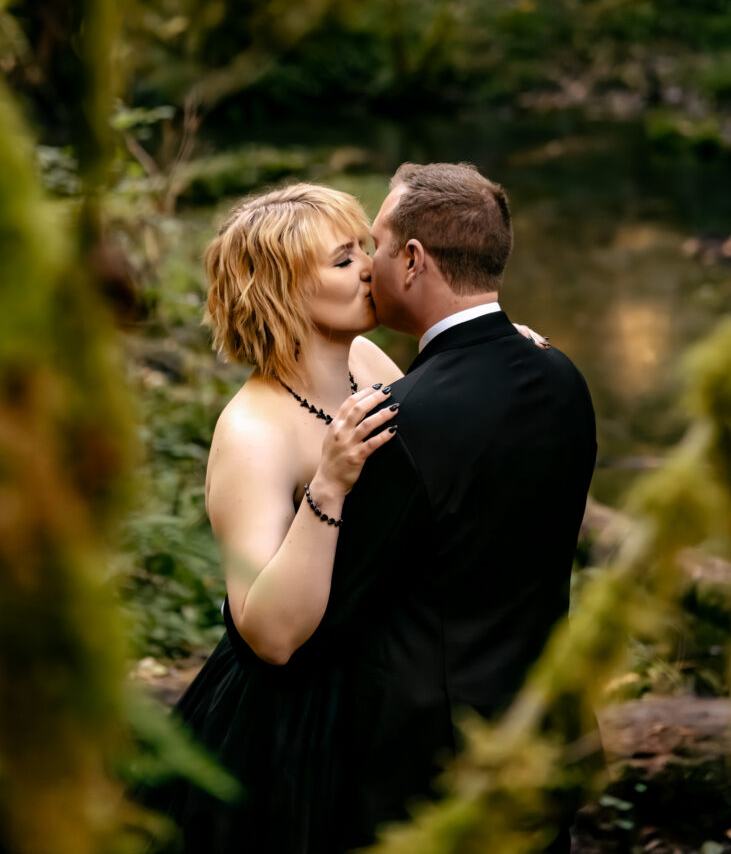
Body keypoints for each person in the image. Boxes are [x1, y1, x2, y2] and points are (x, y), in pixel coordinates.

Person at [134, 179, 550, 854]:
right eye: (343, 258)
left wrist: (490, 357)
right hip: (296, 727)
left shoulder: (366, 361)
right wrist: (327, 486)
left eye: (364, 247)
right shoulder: (252, 432)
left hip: (384, 694)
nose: (370, 265)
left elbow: (431, 459)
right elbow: (270, 636)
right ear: (280, 292)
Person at [308, 162, 597, 853]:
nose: (368, 266)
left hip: (430, 759)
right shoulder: (561, 376)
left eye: (376, 245)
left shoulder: (395, 424)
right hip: (541, 733)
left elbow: (339, 605)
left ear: (412, 260)